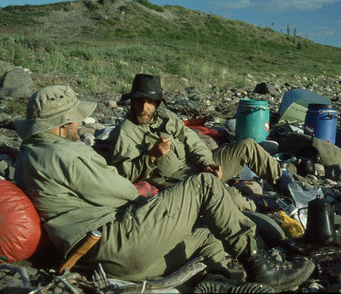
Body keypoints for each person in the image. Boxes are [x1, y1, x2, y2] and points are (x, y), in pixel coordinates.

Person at [14, 85, 314, 289]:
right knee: (204, 186)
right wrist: (156, 197)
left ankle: (224, 280)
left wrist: (201, 165)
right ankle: (263, 268)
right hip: (112, 241)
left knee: (204, 234)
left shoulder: (32, 154)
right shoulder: (66, 153)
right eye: (76, 120)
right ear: (64, 123)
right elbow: (121, 189)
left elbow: (193, 142)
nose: (79, 126)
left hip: (113, 258)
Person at [108, 74, 291, 210]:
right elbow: (123, 174)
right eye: (139, 101)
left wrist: (208, 163)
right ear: (132, 102)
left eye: (149, 102)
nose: (143, 107)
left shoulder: (166, 117)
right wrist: (152, 157)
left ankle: (286, 185)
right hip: (177, 183)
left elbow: (192, 141)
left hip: (197, 166)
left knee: (247, 145)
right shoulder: (125, 132)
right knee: (226, 197)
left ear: (157, 103)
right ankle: (260, 206)